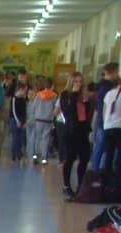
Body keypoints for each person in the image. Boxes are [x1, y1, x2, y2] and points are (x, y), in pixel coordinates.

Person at [56, 71, 94, 201]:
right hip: (71, 130)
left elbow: (87, 113)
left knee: (84, 158)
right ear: (71, 82)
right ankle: (66, 186)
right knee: (70, 158)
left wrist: (86, 101)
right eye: (76, 81)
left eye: (80, 81)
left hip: (83, 130)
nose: (78, 84)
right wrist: (74, 94)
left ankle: (80, 185)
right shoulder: (65, 95)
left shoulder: (84, 95)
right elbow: (68, 112)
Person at [90, 62, 120, 171]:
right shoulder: (107, 87)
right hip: (106, 122)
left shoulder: (101, 86)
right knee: (103, 150)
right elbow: (105, 107)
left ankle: (96, 172)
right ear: (113, 72)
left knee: (100, 149)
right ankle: (98, 173)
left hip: (103, 121)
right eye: (117, 72)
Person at [29, 76, 57, 165]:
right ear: (52, 86)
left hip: (38, 120)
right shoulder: (54, 96)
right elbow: (55, 108)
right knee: (46, 139)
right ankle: (44, 158)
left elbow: (33, 107)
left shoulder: (38, 95)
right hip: (48, 120)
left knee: (37, 138)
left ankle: (35, 156)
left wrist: (33, 115)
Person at [10, 80, 29, 163]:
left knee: (21, 137)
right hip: (15, 120)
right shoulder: (14, 99)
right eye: (24, 90)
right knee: (15, 137)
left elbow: (25, 111)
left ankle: (19, 153)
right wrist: (17, 120)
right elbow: (14, 111)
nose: (25, 92)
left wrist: (25, 121)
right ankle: (14, 154)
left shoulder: (23, 99)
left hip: (22, 119)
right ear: (20, 89)